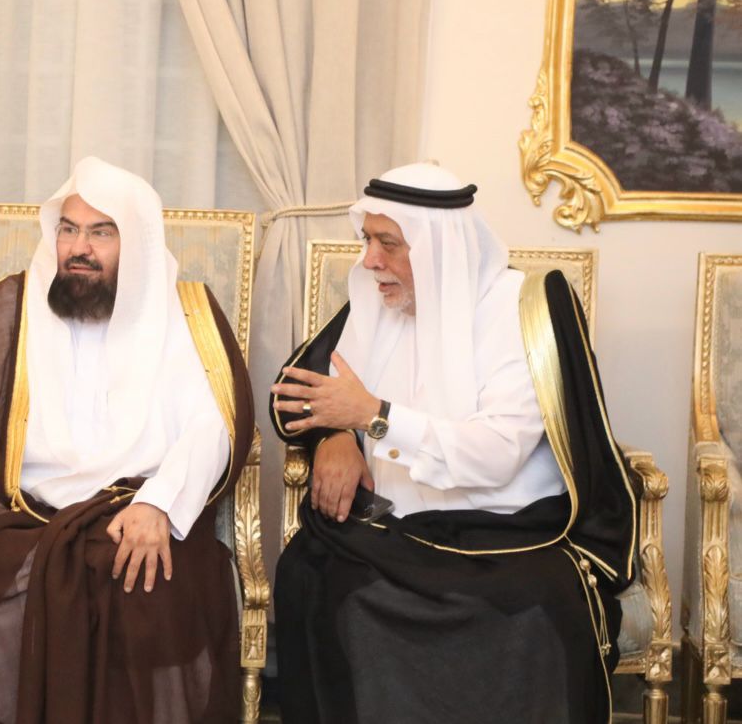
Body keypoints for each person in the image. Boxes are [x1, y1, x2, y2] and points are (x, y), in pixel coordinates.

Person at [0, 156, 253, 723]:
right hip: (24, 512)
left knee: (148, 582)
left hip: (132, 510)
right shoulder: (13, 305)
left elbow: (214, 426)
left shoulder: (188, 316)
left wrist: (159, 503)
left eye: (101, 233)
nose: (79, 248)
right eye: (68, 230)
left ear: (137, 242)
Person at [269, 163, 636, 723]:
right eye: (367, 240)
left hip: (508, 536)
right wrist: (334, 435)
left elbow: (495, 454)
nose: (369, 260)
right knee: (320, 580)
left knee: (531, 611)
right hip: (390, 531)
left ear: (438, 247)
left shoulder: (522, 312)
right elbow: (301, 392)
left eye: (388, 243)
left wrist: (372, 417)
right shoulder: (381, 300)